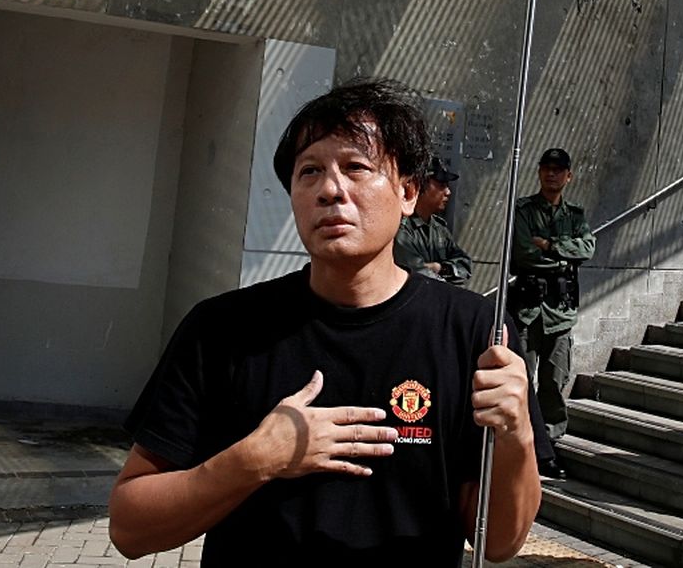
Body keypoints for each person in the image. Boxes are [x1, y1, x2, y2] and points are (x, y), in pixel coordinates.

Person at [108, 80, 539, 565]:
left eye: (356, 167)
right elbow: (130, 528)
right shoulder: (223, 329)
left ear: (408, 192)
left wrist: (516, 433)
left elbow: (498, 543)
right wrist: (254, 461)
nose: (331, 190)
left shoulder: (476, 334)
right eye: (309, 171)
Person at [507, 147, 596, 480]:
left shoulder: (575, 215)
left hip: (560, 314)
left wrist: (551, 245)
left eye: (559, 170)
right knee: (521, 382)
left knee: (554, 383)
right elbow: (524, 252)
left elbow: (587, 248)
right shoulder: (523, 210)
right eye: (546, 168)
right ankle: (520, 446)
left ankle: (549, 448)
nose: (552, 174)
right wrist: (560, 255)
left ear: (568, 176)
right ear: (539, 172)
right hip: (528, 311)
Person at [393, 157, 472, 285]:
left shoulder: (438, 228)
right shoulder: (401, 228)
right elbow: (418, 275)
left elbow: (465, 266)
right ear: (417, 186)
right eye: (441, 185)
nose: (448, 192)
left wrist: (439, 268)